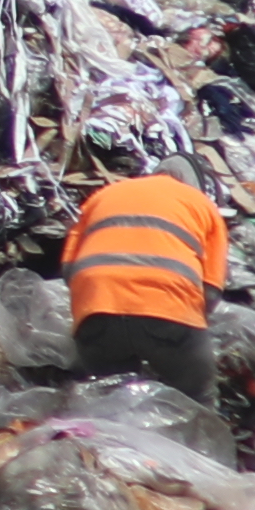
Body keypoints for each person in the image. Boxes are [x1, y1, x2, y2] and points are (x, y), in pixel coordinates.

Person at [59, 164, 228, 398]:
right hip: (168, 306)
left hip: (98, 305)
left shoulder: (104, 194)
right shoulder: (202, 204)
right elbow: (211, 290)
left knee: (106, 399)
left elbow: (68, 268)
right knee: (197, 395)